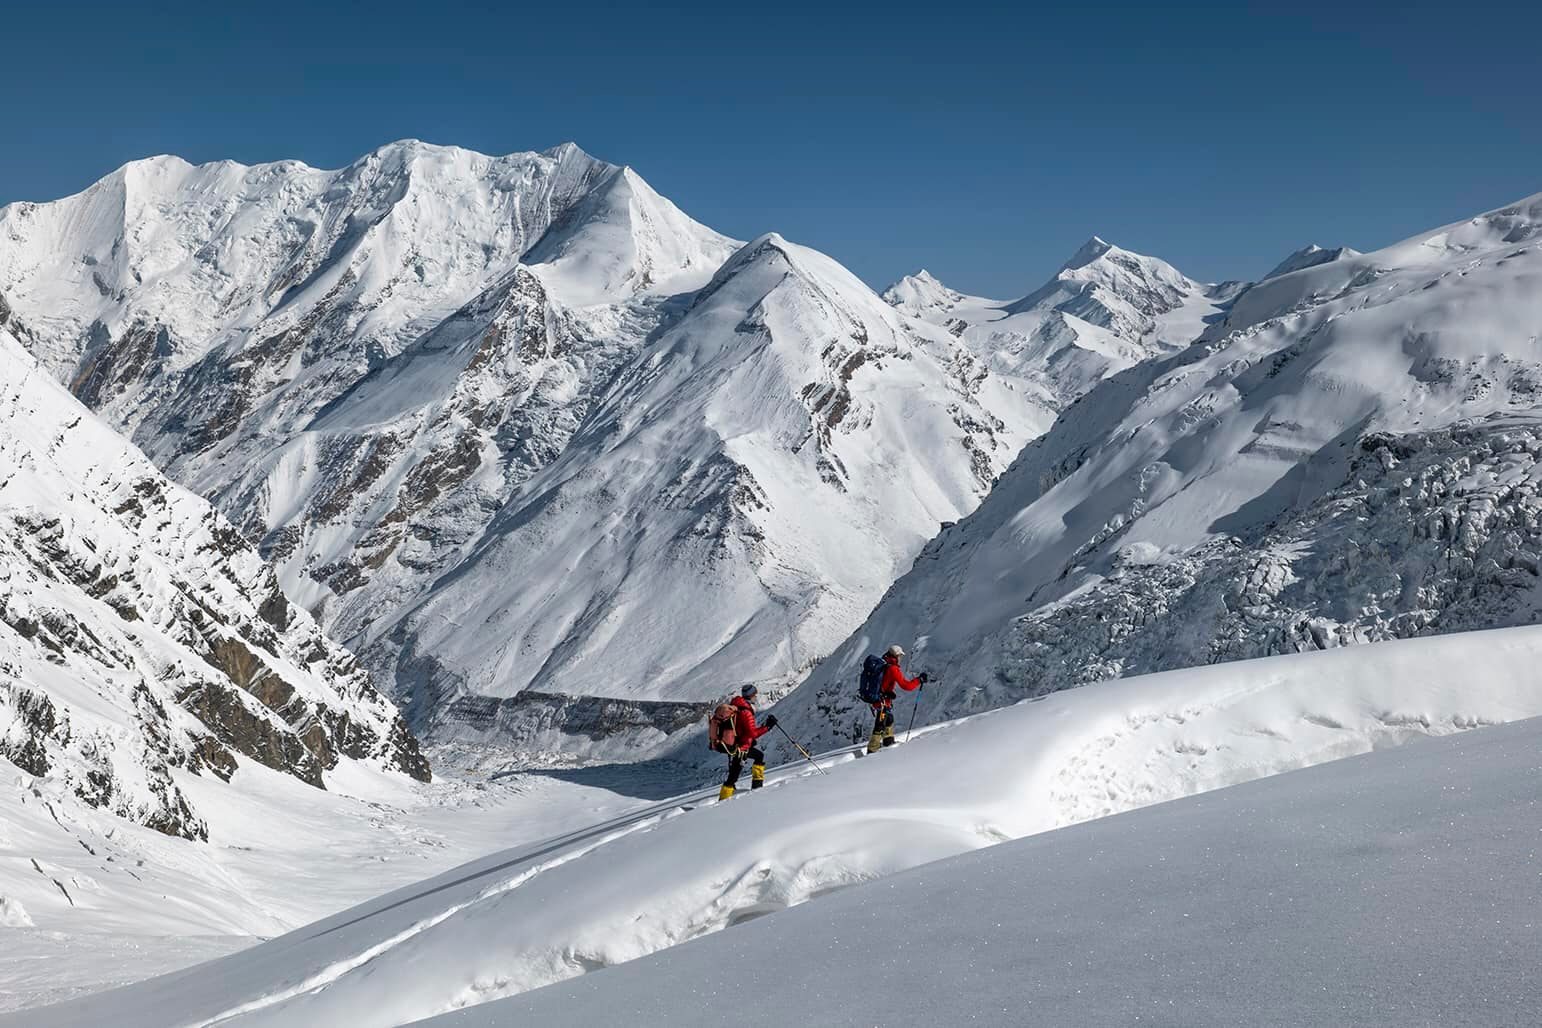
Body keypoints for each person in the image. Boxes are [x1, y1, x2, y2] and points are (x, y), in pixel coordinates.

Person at [720, 684, 776, 801]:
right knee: (733, 777)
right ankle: (723, 801)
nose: (756, 697)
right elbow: (752, 733)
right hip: (741, 747)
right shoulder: (746, 712)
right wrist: (767, 727)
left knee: (758, 756)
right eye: (755, 695)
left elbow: (744, 729)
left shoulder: (736, 706)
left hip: (736, 744)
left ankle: (756, 787)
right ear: (751, 696)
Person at [868, 644, 927, 753]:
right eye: (900, 656)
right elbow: (906, 686)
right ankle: (872, 750)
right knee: (880, 724)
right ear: (896, 655)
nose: (901, 658)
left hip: (880, 699)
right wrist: (919, 680)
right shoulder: (893, 668)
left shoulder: (883, 662)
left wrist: (889, 692)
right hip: (882, 701)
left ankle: (888, 742)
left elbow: (883, 683)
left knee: (888, 719)